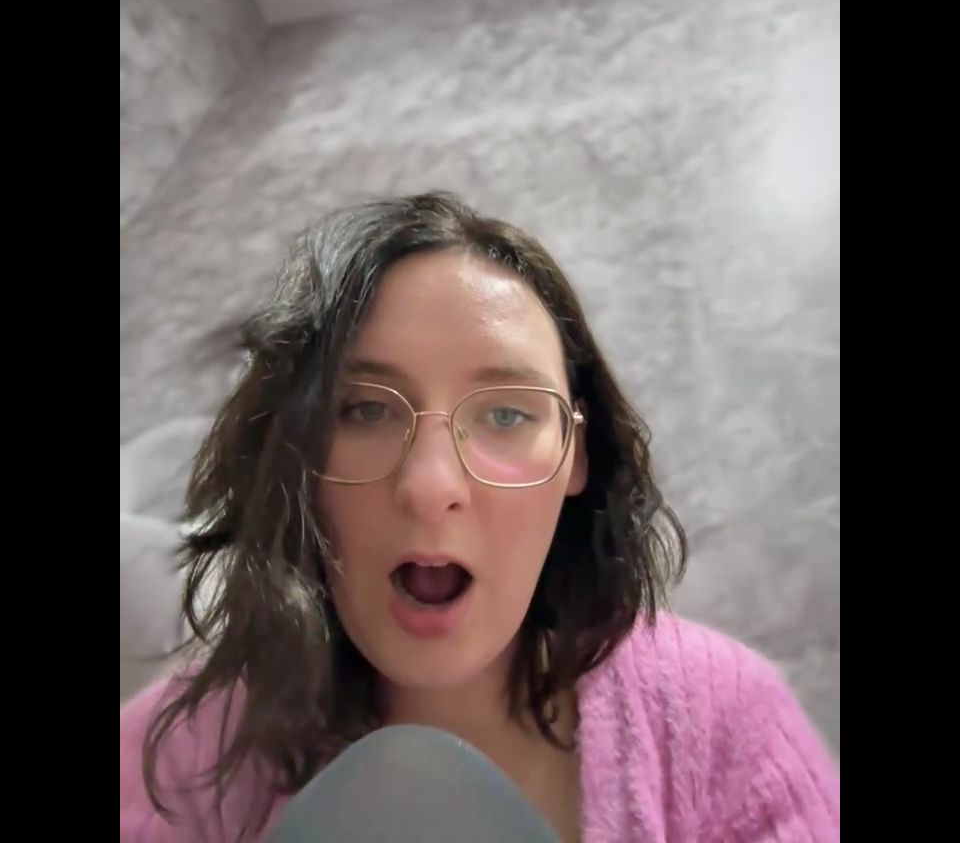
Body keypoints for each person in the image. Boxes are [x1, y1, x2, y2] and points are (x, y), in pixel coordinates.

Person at [120, 193, 840, 842]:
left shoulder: (728, 726)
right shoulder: (167, 770)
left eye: (506, 414)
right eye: (365, 410)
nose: (431, 486)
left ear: (576, 455)